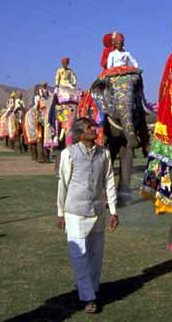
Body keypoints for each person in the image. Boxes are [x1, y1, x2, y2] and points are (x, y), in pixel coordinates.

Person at [56, 117, 119, 314]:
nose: (94, 129)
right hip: (75, 212)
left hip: (98, 211)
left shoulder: (104, 153)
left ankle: (91, 287)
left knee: (95, 255)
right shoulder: (69, 154)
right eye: (89, 127)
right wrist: (60, 213)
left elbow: (109, 181)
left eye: (94, 126)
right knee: (79, 256)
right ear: (80, 134)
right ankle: (88, 297)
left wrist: (114, 211)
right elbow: (62, 183)